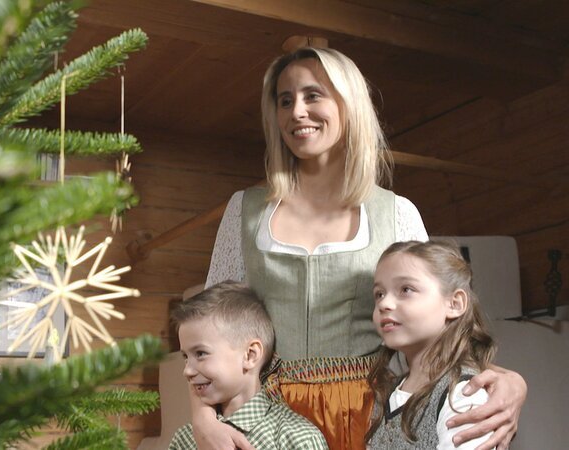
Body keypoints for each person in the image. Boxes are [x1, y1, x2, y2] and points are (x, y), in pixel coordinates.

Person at [198, 47, 525, 450]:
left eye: (312, 95)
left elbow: (441, 322)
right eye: (285, 100)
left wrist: (508, 380)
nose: (296, 111)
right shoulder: (243, 211)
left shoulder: (396, 212)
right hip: (266, 418)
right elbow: (208, 331)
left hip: (367, 415)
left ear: (348, 104)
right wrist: (203, 418)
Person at [366, 241, 496, 449]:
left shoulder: (463, 395)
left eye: (406, 289)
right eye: (379, 294)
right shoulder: (387, 393)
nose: (384, 304)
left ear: (454, 304)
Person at [169, 281, 328, 449]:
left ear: (250, 355)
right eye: (185, 357)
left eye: (200, 354)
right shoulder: (184, 440)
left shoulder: (299, 439)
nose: (187, 371)